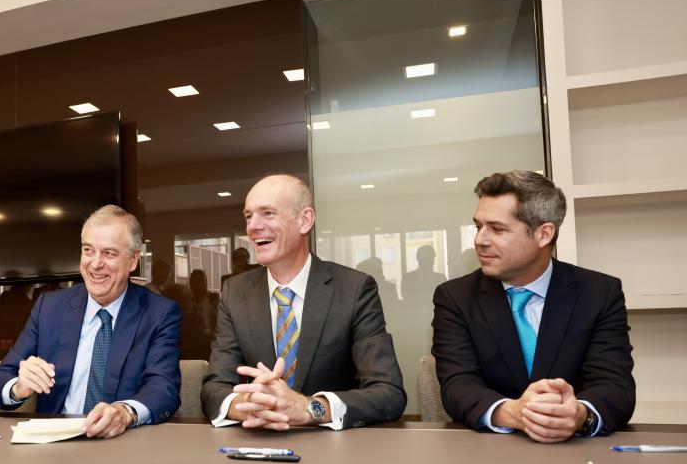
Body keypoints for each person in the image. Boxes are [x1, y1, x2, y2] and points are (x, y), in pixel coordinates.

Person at [432, 171, 635, 442]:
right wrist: (512, 412)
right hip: (489, 454)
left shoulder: (599, 293)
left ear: (543, 234)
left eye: (498, 228)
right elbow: (458, 385)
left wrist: (579, 415)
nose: (480, 240)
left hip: (576, 453)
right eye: (478, 226)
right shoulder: (455, 297)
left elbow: (615, 387)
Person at [201, 174, 406, 430]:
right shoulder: (235, 293)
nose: (253, 226)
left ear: (304, 220)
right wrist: (247, 404)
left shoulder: (353, 290)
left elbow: (388, 393)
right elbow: (213, 389)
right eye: (248, 216)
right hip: (257, 448)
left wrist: (308, 408)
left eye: (268, 213)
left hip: (335, 455)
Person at [0, 205, 182, 439]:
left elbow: (163, 387)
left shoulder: (159, 313)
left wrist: (125, 412)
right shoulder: (49, 308)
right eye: (88, 250)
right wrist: (18, 387)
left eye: (109, 253)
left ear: (133, 260)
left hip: (123, 443)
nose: (95, 264)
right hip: (55, 444)